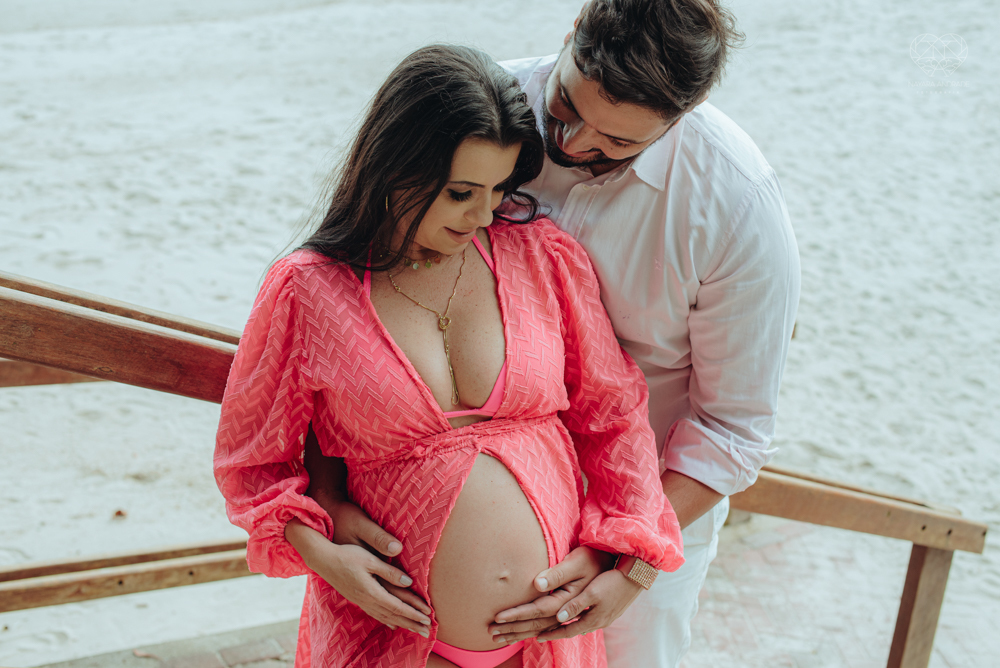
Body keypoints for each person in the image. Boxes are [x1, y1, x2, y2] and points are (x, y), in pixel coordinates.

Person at [308, 2, 802, 667]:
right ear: (571, 34)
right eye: (566, 108)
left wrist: (627, 553)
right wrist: (329, 498)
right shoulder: (478, 113)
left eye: (615, 143)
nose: (570, 146)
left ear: (682, 116)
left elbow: (730, 434)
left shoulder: (738, 207)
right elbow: (345, 309)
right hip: (424, 528)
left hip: (639, 527)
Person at [214, 44, 684, 668]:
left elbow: (614, 414)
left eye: (498, 189)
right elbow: (253, 463)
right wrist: (324, 556)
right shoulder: (307, 290)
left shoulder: (541, 258)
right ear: (396, 168)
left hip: (546, 643)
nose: (483, 213)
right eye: (461, 192)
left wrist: (623, 558)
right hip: (389, 632)